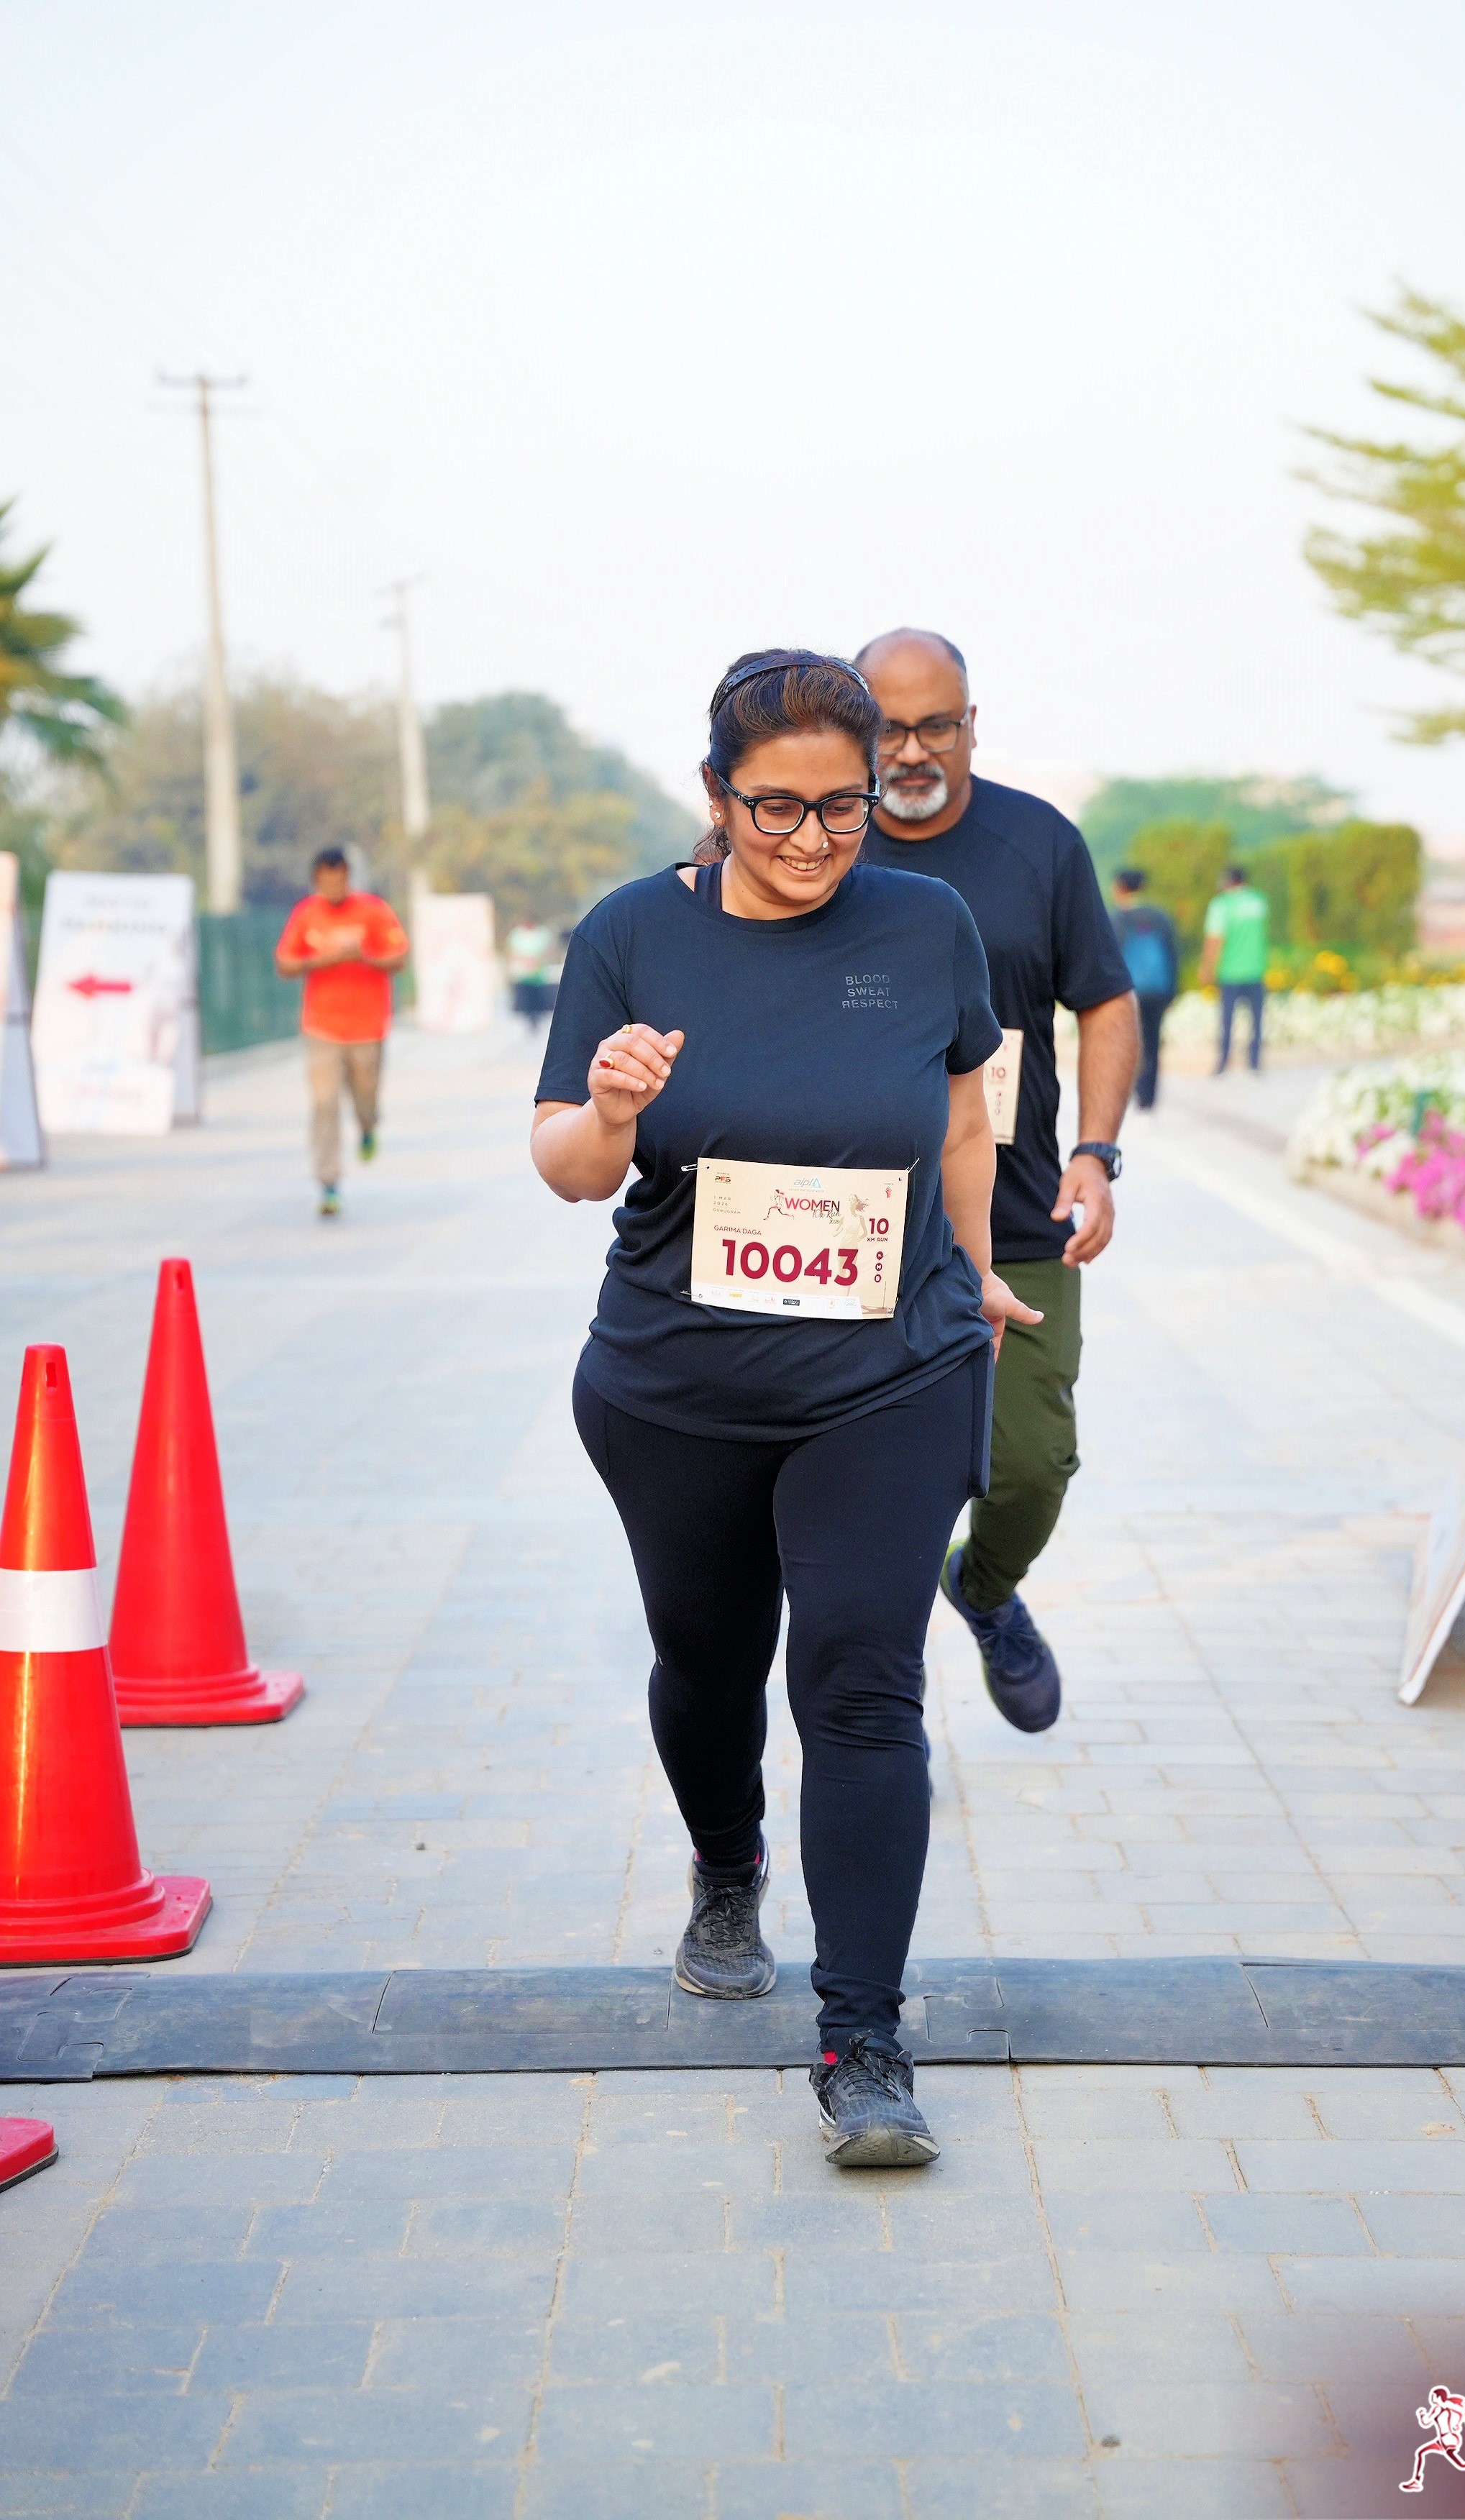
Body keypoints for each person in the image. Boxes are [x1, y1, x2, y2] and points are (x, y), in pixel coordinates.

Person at [531, 650, 1039, 2169]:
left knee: (864, 1682)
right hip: (677, 1384)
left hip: (890, 1373)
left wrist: (976, 1269)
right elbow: (565, 1166)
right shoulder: (633, 933)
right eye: (775, 808)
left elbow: (962, 1113)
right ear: (716, 794)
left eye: (842, 806)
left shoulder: (925, 923)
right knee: (709, 1661)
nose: (813, 839)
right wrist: (612, 1108)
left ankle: (862, 2039)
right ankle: (726, 1860)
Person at [857, 629, 1136, 1735]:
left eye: (936, 725)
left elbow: (1105, 1000)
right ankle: (874, 1721)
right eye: (888, 728)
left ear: (972, 725)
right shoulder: (824, 845)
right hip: (859, 1227)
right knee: (864, 1494)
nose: (911, 751)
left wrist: (1096, 1153)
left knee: (1028, 1467)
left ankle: (982, 1588)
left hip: (1018, 1220)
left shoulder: (1040, 844)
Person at [274, 849, 409, 1218]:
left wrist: (363, 957)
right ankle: (329, 1183)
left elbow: (399, 958)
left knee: (365, 1096)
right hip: (322, 1028)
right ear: (316, 881)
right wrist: (324, 960)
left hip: (368, 1027)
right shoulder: (306, 914)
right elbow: (284, 963)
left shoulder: (373, 911)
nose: (333, 888)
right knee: (324, 1103)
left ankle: (368, 1127)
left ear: (348, 878)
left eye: (339, 881)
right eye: (326, 882)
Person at [1110, 867, 1179, 1110]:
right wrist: (1171, 992)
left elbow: (1110, 959)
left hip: (1128, 991)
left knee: (1126, 1042)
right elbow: (1173, 955)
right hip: (1157, 991)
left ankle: (1127, 1092)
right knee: (1152, 1042)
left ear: (1120, 887)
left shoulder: (1117, 919)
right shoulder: (1161, 917)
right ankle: (1148, 1097)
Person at [1200, 863, 1269, 1074]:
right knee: (1257, 1020)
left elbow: (1215, 938)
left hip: (1230, 970)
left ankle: (1223, 1062)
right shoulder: (1259, 902)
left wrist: (1207, 966)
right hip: (1255, 967)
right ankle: (1254, 1062)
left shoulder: (1221, 905)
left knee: (1227, 1020)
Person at [506, 917, 558, 1028]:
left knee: (537, 1002)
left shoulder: (542, 934)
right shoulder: (517, 935)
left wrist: (537, 962)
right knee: (526, 1003)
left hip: (539, 975)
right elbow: (511, 952)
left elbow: (549, 952)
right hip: (523, 975)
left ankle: (535, 1020)